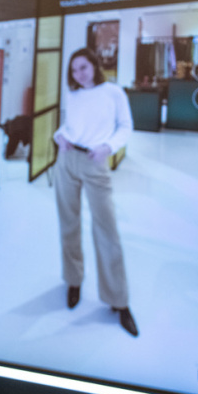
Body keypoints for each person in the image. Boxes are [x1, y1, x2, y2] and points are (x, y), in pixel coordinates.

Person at [53, 47, 138, 337]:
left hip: (95, 162)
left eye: (83, 68)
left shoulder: (113, 93)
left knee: (107, 230)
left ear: (95, 66)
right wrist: (59, 136)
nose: (78, 74)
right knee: (69, 224)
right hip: (66, 161)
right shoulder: (73, 94)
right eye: (74, 70)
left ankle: (119, 300)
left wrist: (109, 147)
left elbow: (126, 127)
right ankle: (73, 280)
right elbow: (68, 125)